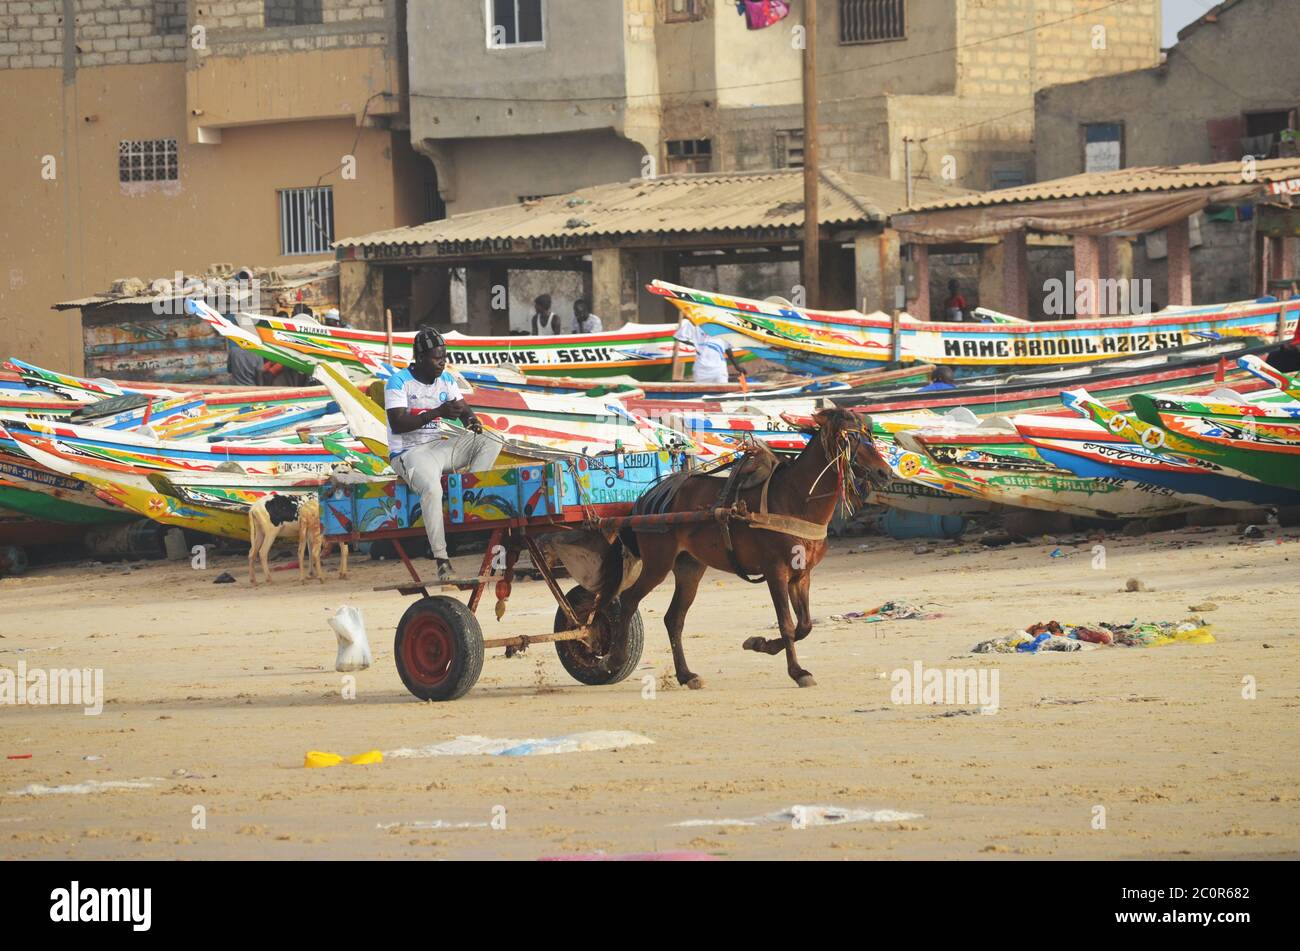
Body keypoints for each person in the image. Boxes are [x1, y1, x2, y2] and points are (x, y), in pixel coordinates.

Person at [385, 328, 500, 580]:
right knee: (433, 490)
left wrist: (472, 421)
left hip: (438, 447)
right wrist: (436, 412)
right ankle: (442, 559)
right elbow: (398, 424)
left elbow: (463, 410)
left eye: (444, 357)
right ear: (420, 358)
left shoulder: (446, 380)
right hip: (409, 452)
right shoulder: (398, 381)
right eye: (437, 358)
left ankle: (470, 505)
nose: (442, 362)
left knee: (492, 440)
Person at [674, 318, 746, 386]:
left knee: (722, 393)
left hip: (719, 369)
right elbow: (679, 337)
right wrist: (695, 344)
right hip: (701, 370)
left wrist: (736, 365)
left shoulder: (723, 324)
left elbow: (727, 348)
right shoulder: (694, 321)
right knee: (701, 395)